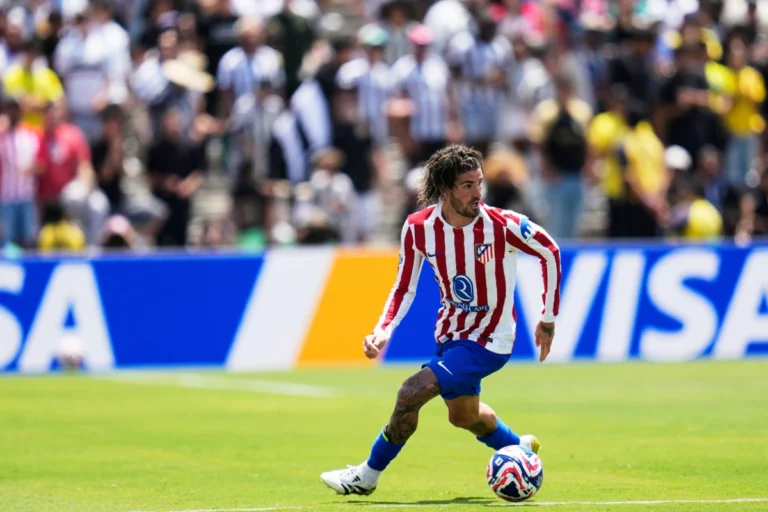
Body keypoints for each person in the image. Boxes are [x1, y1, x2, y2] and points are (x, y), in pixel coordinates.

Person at [320, 144, 561, 496]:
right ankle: (518, 447)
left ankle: (366, 475)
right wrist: (382, 330)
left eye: (479, 183)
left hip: (490, 340)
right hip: (451, 336)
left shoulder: (502, 225)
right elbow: (404, 286)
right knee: (463, 416)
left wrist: (548, 319)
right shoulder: (418, 228)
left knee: (411, 392)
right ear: (445, 188)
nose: (478, 192)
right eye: (467, 185)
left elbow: (550, 251)